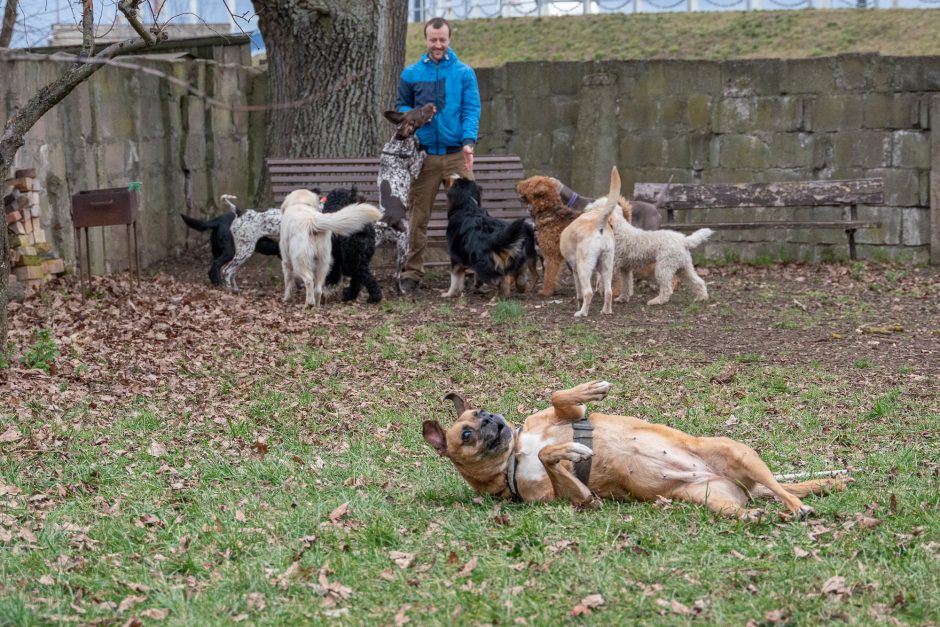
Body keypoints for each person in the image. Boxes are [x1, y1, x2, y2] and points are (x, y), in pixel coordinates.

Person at [395, 16, 481, 293]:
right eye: (433, 40)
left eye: (442, 39)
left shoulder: (464, 73)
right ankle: (412, 273)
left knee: (469, 215)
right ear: (425, 40)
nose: (438, 44)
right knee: (418, 215)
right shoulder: (410, 74)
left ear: (449, 39)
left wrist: (468, 141)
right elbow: (402, 106)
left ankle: (471, 270)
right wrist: (415, 118)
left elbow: (471, 109)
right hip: (425, 156)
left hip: (457, 154)